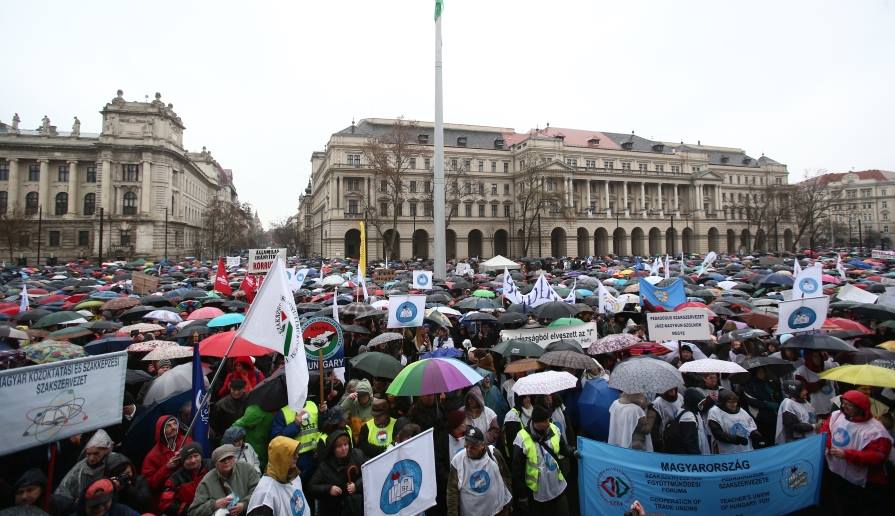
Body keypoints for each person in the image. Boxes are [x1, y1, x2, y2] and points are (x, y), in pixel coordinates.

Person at [820, 389, 893, 513]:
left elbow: (878, 456)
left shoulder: (875, 430)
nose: (844, 406)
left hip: (861, 481)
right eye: (843, 403)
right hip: (836, 472)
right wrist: (826, 446)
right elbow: (826, 430)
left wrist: (847, 454)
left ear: (860, 407)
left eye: (849, 405)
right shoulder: (837, 415)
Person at [511, 405, 573, 515]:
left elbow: (563, 449)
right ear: (535, 422)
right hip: (538, 493)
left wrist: (573, 452)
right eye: (544, 421)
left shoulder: (554, 429)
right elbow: (517, 470)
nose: (548, 423)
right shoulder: (522, 438)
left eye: (548, 420)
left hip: (557, 486)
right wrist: (522, 495)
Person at [447, 426, 513, 516]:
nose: (469, 450)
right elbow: (452, 493)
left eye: (473, 447)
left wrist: (508, 503)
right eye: (466, 446)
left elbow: (506, 477)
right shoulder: (457, 461)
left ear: (482, 445)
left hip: (498, 511)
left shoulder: (493, 454)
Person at [55, 429, 124, 511]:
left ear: (106, 450)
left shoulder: (115, 463)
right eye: (88, 454)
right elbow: (64, 488)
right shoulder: (81, 466)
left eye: (96, 453)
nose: (91, 458)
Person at [188, 444, 260, 516]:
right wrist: (214, 505)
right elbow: (193, 512)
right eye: (222, 460)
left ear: (234, 458)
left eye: (229, 457)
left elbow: (259, 492)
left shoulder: (246, 468)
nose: (227, 461)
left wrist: (244, 505)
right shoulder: (207, 481)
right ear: (215, 463)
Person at [247, 436, 309, 516]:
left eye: (297, 452)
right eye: (292, 454)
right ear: (280, 457)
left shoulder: (293, 475)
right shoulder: (265, 494)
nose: (297, 456)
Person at [308, 430, 365, 516]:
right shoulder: (325, 466)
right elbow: (311, 487)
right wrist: (328, 489)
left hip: (357, 507)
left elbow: (370, 472)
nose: (344, 449)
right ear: (332, 449)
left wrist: (356, 486)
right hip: (335, 509)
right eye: (339, 446)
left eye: (346, 445)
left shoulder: (357, 455)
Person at [142, 415, 191, 496]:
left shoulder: (187, 440)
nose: (173, 427)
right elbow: (150, 484)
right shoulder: (152, 456)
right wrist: (167, 468)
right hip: (169, 493)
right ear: (161, 431)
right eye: (168, 425)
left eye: (175, 423)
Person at [159, 443, 211, 516]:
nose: (193, 460)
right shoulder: (174, 479)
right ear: (183, 461)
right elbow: (165, 504)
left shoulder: (211, 466)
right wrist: (190, 509)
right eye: (189, 457)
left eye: (196, 456)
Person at [707, 389, 765, 454]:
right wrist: (736, 439)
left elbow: (750, 424)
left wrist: (754, 433)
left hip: (746, 450)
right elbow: (717, 433)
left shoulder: (741, 411)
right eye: (730, 402)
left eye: (735, 402)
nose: (734, 404)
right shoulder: (714, 412)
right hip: (727, 452)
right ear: (723, 402)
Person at [665, 388, 711, 455]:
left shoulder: (692, 410)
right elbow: (690, 441)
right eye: (700, 404)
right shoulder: (688, 416)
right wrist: (697, 457)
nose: (702, 406)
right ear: (693, 402)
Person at [795, 350, 837, 418]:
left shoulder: (828, 365)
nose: (818, 359)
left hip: (832, 405)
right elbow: (803, 389)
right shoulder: (802, 372)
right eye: (815, 356)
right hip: (816, 409)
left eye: (819, 356)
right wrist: (819, 383)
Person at [775, 380, 819, 444]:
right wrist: (814, 426)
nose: (806, 392)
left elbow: (812, 416)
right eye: (803, 390)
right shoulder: (788, 404)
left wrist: (819, 421)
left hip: (810, 438)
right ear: (796, 391)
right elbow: (794, 426)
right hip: (797, 442)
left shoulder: (804, 402)